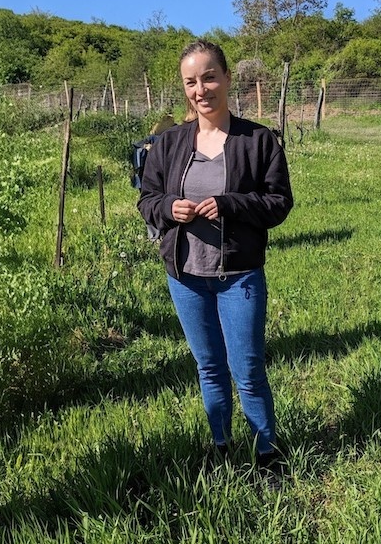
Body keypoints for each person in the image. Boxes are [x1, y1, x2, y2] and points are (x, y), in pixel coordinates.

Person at [137, 40, 293, 479]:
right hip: (185, 276)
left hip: (238, 275)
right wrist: (170, 208)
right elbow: (147, 200)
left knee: (247, 370)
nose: (200, 89)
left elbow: (279, 203)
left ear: (226, 79)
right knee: (209, 367)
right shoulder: (167, 144)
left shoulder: (258, 140)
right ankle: (222, 446)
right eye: (191, 81)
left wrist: (229, 204)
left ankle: (267, 456)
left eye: (208, 77)